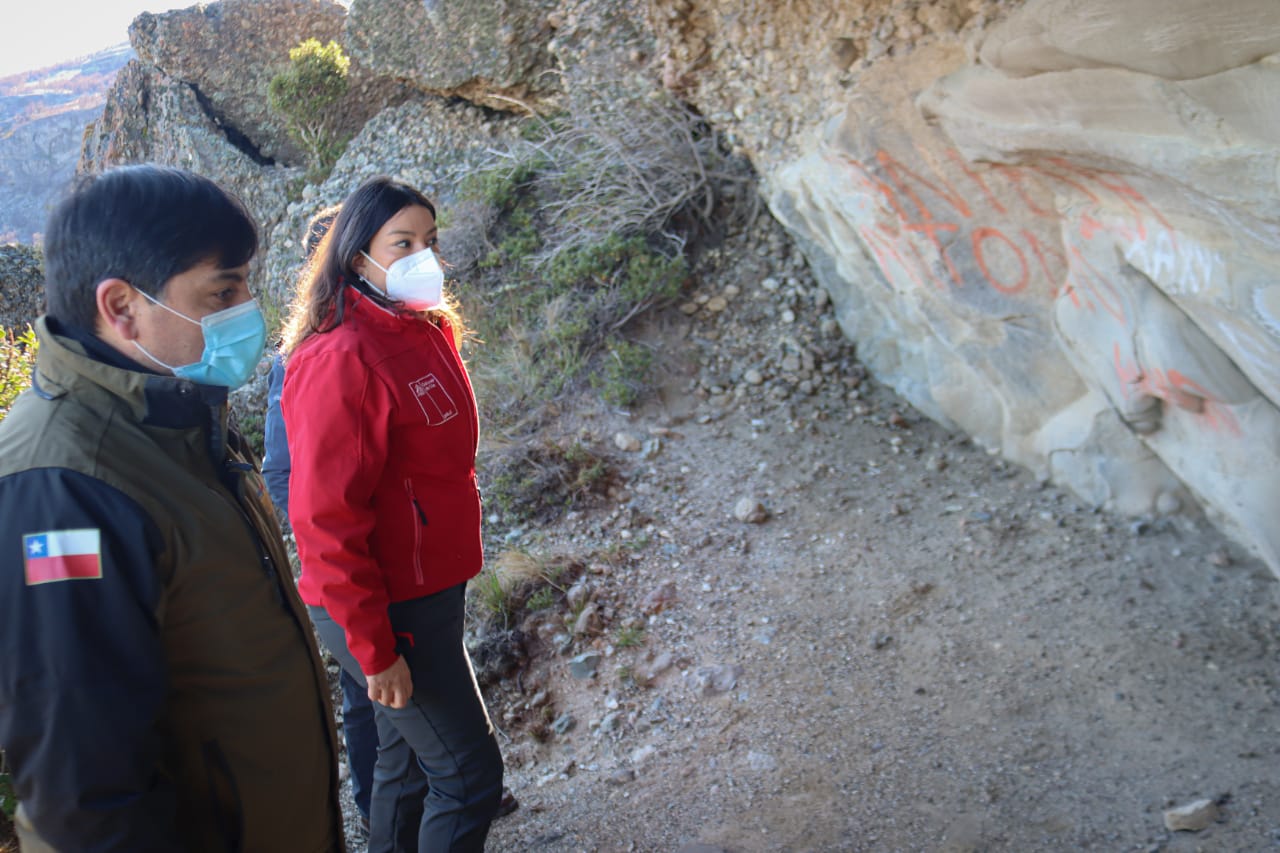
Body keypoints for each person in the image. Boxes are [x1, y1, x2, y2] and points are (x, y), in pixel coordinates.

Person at [0, 165, 344, 851]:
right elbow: (86, 797)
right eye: (223, 291)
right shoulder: (65, 487)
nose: (248, 309)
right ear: (122, 306)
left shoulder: (175, 419)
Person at [280, 176, 504, 852]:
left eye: (429, 240)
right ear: (357, 257)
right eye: (401, 243)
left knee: (405, 768)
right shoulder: (340, 356)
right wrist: (375, 650)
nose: (422, 256)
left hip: (425, 591)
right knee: (467, 776)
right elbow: (324, 520)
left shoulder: (422, 326)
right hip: (385, 605)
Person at [263, 204, 380, 835]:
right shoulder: (301, 355)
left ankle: (447, 782)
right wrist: (324, 535)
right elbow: (280, 470)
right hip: (345, 554)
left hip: (401, 550)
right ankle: (378, 810)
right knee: (365, 687)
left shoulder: (393, 334)